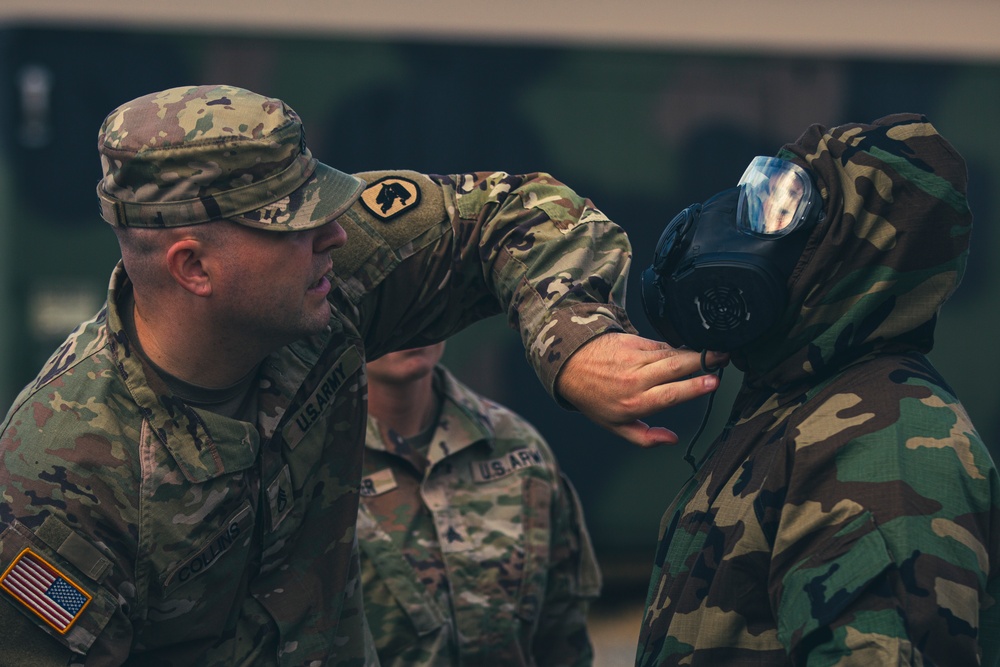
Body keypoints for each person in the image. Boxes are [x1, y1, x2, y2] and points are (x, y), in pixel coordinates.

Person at [0, 84, 721, 666]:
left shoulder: (322, 282)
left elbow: (517, 208)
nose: (336, 235)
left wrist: (576, 344)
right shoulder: (63, 471)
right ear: (194, 267)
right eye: (292, 222)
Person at [636, 113, 1000, 665]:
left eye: (784, 209)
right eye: (760, 196)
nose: (744, 224)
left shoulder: (887, 440)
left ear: (854, 250)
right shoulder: (793, 407)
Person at [358, 342, 600, 666]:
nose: (408, 323)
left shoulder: (516, 448)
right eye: (385, 297)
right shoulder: (313, 465)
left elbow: (563, 638)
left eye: (421, 294)